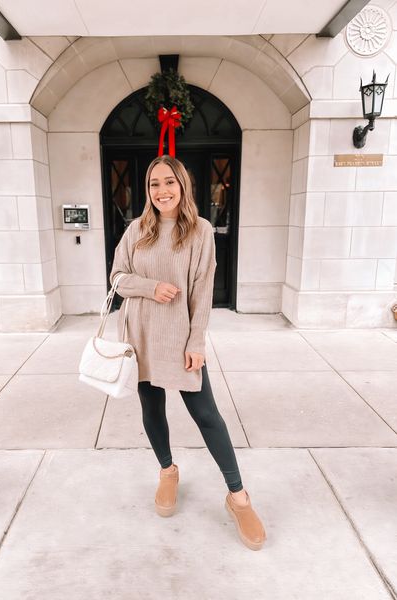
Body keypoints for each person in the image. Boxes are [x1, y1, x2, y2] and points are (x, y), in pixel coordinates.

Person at [109, 155, 266, 550]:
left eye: (169, 182)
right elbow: (117, 279)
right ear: (147, 191)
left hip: (178, 338)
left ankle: (238, 497)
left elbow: (202, 291)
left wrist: (196, 341)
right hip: (141, 335)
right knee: (151, 408)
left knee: (207, 415)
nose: (162, 191)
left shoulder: (200, 231)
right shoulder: (136, 230)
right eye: (154, 184)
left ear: (183, 185)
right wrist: (150, 287)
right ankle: (167, 471)